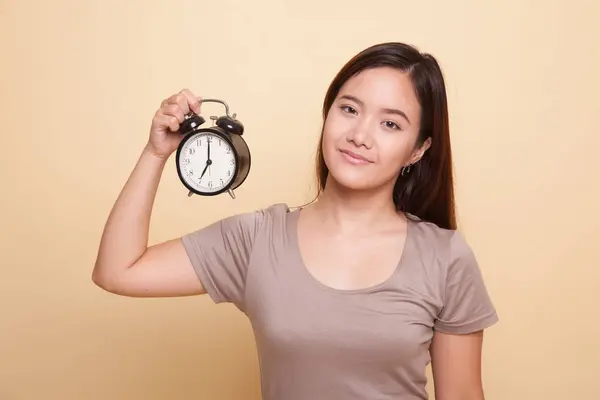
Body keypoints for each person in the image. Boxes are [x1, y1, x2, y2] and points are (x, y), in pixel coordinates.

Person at [92, 41, 499, 400]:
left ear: (418, 150)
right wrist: (155, 152)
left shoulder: (445, 258)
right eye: (349, 109)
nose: (360, 134)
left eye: (390, 123)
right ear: (328, 115)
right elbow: (117, 270)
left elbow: (462, 395)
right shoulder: (256, 240)